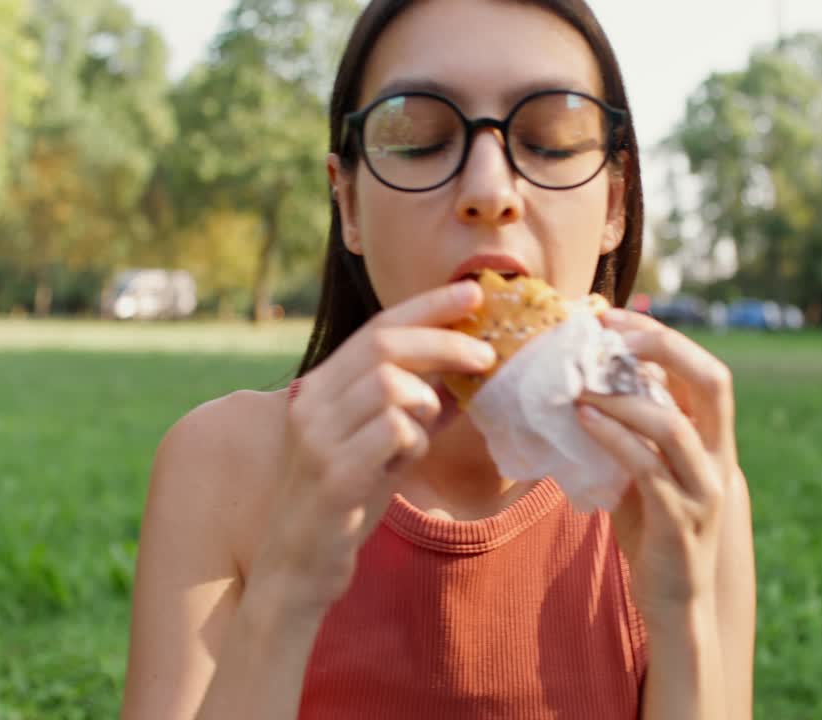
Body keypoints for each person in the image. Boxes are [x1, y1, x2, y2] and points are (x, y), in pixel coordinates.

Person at [120, 0, 756, 717]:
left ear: (614, 204)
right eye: (418, 138)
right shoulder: (222, 466)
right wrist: (288, 586)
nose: (489, 192)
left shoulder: (685, 484)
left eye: (549, 140)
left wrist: (683, 615)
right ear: (349, 205)